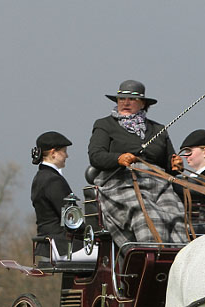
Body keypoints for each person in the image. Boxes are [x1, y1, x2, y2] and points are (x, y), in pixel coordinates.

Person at [87, 80, 187, 248]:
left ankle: (179, 260)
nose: (125, 103)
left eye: (131, 100)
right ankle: (150, 259)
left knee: (176, 215)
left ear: (143, 104)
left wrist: (175, 165)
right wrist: (118, 159)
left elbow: (169, 165)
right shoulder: (104, 125)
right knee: (148, 215)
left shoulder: (158, 129)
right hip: (120, 182)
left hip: (158, 183)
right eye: (121, 99)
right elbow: (96, 156)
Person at [30, 131, 87, 262]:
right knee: (110, 255)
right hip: (62, 246)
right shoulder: (53, 180)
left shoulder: (41, 177)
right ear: (53, 153)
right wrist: (93, 233)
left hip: (51, 245)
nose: (67, 155)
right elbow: (72, 220)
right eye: (64, 151)